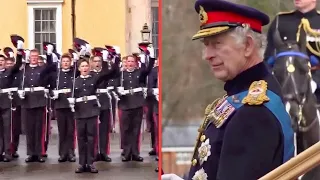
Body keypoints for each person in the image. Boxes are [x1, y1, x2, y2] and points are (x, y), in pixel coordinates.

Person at [162, 0, 295, 179]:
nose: (207, 55)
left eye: (216, 44)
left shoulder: (254, 113)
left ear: (247, 46)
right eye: (206, 44)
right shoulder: (240, 98)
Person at [264, 0, 320, 102]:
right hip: (283, 82)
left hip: (316, 84)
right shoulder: (280, 21)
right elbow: (269, 56)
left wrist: (316, 81)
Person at [69, 57, 118, 173]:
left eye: (86, 66)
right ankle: (82, 163)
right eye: (82, 66)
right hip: (80, 112)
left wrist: (111, 59)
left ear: (89, 67)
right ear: (79, 68)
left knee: (91, 138)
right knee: (81, 138)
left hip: (92, 111)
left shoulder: (95, 79)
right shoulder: (75, 81)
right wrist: (71, 100)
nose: (85, 68)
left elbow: (111, 73)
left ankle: (90, 163)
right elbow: (71, 94)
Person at [116, 48, 155, 162]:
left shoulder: (139, 73)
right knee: (126, 129)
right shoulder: (121, 74)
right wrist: (119, 91)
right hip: (125, 104)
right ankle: (126, 152)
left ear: (135, 63)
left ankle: (135, 152)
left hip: (137, 104)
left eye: (132, 61)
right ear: (126, 63)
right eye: (128, 61)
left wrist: (150, 57)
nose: (130, 63)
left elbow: (148, 69)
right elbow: (114, 86)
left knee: (136, 130)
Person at [18, 45, 55, 163]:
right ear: (29, 58)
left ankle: (39, 153)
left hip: (39, 101)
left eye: (35, 56)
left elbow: (51, 67)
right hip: (27, 101)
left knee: (39, 128)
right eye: (32, 56)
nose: (33, 58)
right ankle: (30, 153)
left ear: (38, 57)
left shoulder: (42, 69)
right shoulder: (24, 70)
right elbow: (19, 82)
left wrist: (49, 54)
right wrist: (20, 91)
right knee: (29, 129)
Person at [51, 53, 77, 162]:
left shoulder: (74, 73)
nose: (65, 63)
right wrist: (53, 93)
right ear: (61, 63)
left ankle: (71, 152)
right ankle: (62, 153)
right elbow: (51, 87)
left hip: (71, 105)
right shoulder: (56, 75)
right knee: (62, 131)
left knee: (71, 130)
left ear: (70, 63)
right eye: (64, 61)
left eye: (67, 61)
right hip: (60, 104)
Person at [0, 47, 22, 162]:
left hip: (6, 103)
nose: (0, 62)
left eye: (2, 61)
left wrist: (19, 52)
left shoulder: (9, 72)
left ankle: (8, 152)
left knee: (8, 129)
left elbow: (17, 64)